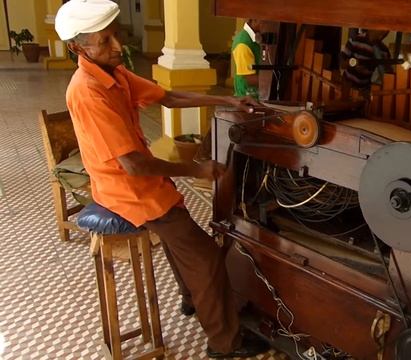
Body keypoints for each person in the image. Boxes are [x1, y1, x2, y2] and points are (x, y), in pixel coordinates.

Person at [54, 0, 269, 358]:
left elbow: (168, 96)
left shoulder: (113, 73)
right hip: (125, 191)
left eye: (116, 35)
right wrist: (198, 170)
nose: (117, 46)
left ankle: (192, 299)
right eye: (104, 41)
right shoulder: (88, 91)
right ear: (79, 47)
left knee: (181, 240)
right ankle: (224, 343)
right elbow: (136, 166)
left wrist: (226, 101)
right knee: (207, 258)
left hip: (136, 183)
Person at [339, 29, 391, 96]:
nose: (385, 33)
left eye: (387, 31)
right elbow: (342, 64)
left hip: (364, 91)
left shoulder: (384, 51)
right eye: (383, 30)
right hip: (347, 86)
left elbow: (386, 77)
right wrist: (353, 64)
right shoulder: (355, 39)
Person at [231, 19, 263, 98]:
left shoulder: (255, 39)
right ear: (255, 19)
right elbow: (249, 79)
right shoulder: (242, 44)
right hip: (247, 99)